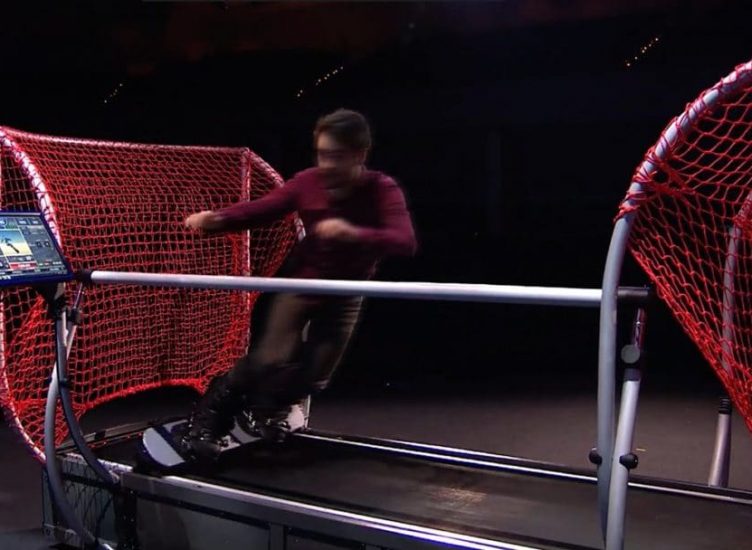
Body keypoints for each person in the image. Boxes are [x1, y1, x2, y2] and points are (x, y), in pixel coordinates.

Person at [183, 109, 417, 459]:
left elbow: (404, 241)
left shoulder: (381, 189)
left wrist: (354, 234)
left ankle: (269, 407)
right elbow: (262, 209)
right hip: (303, 283)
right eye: (323, 155)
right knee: (267, 360)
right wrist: (216, 219)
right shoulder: (308, 181)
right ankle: (212, 414)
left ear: (359, 155)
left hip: (346, 292)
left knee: (315, 377)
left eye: (337, 157)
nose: (328, 165)